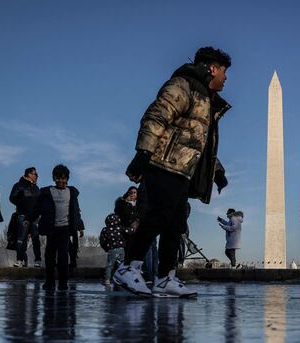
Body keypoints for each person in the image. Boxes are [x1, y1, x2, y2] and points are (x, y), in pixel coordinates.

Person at [115, 46, 232, 298]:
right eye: (224, 72)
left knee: (176, 225)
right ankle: (128, 267)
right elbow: (157, 116)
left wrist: (217, 171)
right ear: (212, 68)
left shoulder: (207, 99)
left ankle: (165, 278)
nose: (226, 78)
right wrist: (144, 152)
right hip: (164, 164)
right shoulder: (184, 85)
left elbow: (201, 143)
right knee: (158, 216)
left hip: (183, 170)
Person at [33, 164, 81, 290]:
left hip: (65, 229)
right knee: (49, 256)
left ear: (67, 179)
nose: (61, 181)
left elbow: (75, 211)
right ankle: (49, 282)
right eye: (58, 178)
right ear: (54, 178)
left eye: (63, 178)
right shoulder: (47, 192)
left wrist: (80, 226)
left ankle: (63, 283)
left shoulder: (72, 192)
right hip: (51, 229)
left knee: (63, 256)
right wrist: (29, 218)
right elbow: (38, 208)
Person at [9, 167, 42, 267]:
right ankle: (20, 260)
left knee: (36, 238)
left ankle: (38, 260)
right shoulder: (19, 185)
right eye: (35, 174)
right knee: (21, 238)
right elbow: (12, 198)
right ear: (29, 174)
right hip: (22, 216)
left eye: (37, 175)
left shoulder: (36, 188)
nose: (37, 176)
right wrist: (22, 205)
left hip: (34, 217)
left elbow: (39, 201)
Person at [99, 213, 133, 287]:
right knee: (121, 265)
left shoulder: (105, 229)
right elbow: (129, 231)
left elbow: (102, 241)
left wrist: (106, 248)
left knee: (110, 265)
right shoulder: (120, 228)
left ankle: (107, 280)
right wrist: (133, 228)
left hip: (111, 250)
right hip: (121, 250)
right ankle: (123, 279)